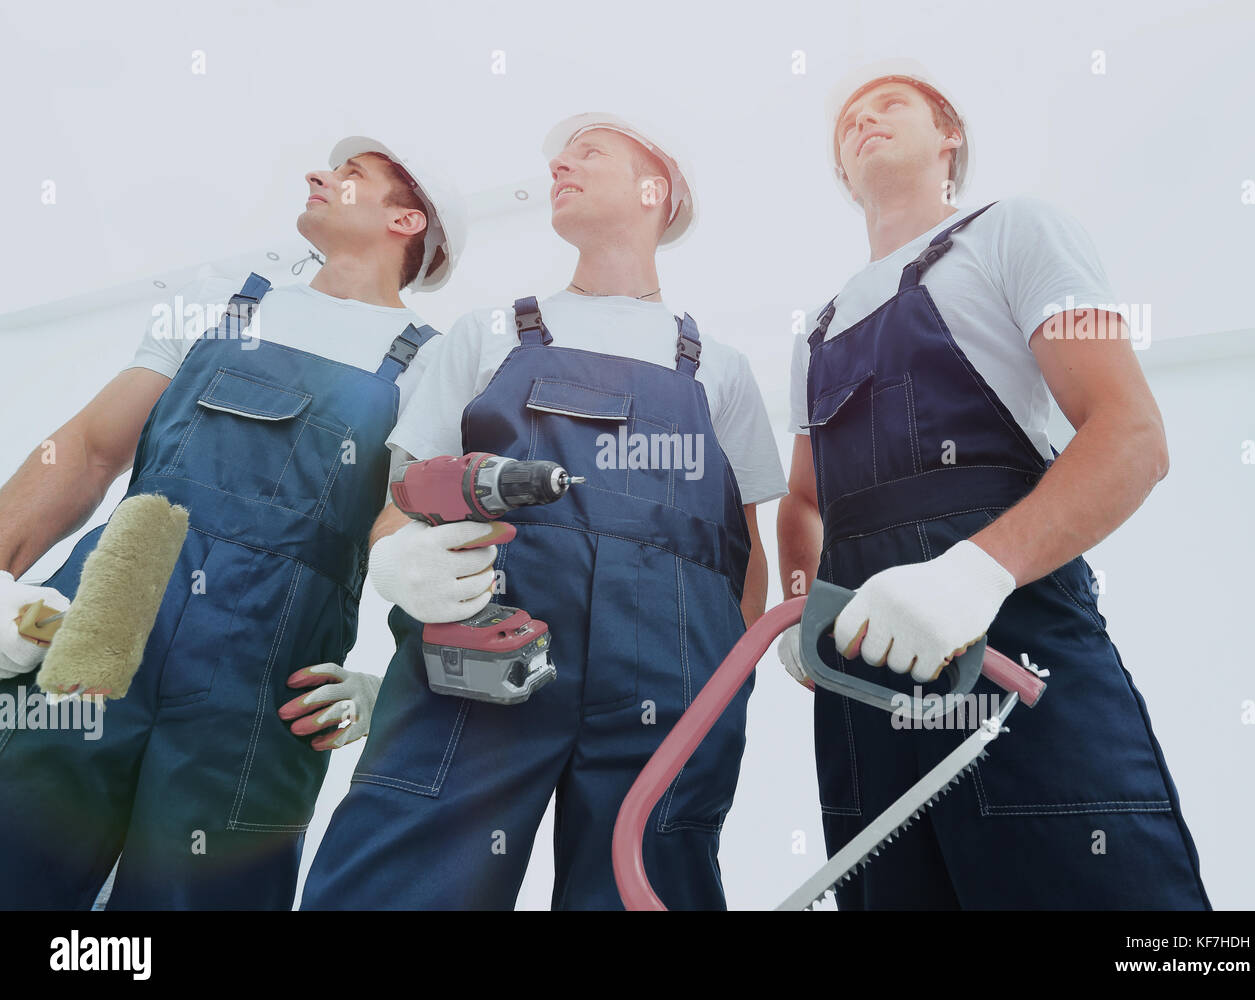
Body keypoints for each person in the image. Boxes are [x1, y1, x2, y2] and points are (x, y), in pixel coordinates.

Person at [301, 112, 788, 910]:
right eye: (559, 155)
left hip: (669, 688)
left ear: (652, 188)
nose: (560, 165)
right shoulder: (485, 334)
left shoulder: (717, 371)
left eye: (587, 152)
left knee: (646, 884)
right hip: (481, 656)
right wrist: (397, 563)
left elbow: (743, 556)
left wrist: (721, 694)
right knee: (399, 878)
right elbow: (405, 495)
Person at [776, 60, 1210, 909]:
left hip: (1011, 651)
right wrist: (800, 611)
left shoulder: (1018, 231)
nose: (863, 120)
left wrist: (974, 573)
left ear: (950, 137)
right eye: (847, 123)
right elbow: (802, 501)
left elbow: (1132, 436)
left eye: (890, 104)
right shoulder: (816, 329)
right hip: (865, 685)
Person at [0, 135, 475, 909]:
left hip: (263, 681)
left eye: (351, 175)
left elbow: (412, 546)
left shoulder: (430, 365)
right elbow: (88, 453)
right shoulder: (223, 300)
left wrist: (394, 687)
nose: (320, 175)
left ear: (407, 220)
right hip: (103, 619)